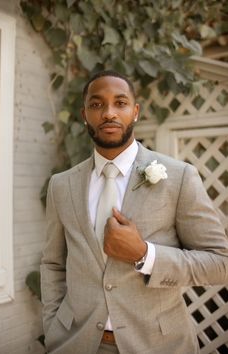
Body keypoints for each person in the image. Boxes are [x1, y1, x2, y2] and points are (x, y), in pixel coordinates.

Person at [40, 70, 228, 354]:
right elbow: (53, 264)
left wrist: (145, 254)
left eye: (120, 103)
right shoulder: (60, 185)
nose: (108, 113)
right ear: (84, 114)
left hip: (157, 343)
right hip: (75, 342)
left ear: (135, 111)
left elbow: (220, 264)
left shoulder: (179, 177)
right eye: (96, 104)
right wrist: (53, 324)